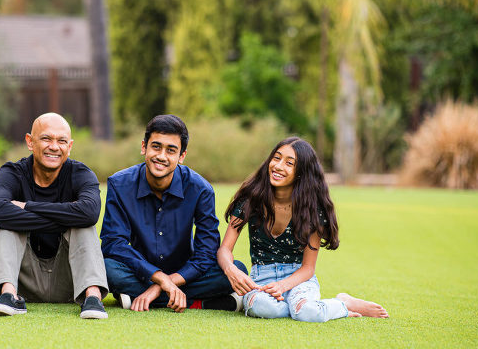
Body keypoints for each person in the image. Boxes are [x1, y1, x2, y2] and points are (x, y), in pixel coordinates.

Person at [217, 136, 389, 322]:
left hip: (299, 279)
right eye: (276, 158)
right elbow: (225, 249)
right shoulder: (250, 200)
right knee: (263, 308)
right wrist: (230, 269)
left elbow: (308, 267)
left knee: (308, 313)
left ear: (301, 172)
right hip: (261, 279)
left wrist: (282, 286)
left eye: (289, 163)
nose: (278, 166)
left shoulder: (312, 210)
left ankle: (342, 303)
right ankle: (298, 307)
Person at [101, 115, 248, 312]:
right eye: (156, 147)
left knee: (236, 270)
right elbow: (114, 244)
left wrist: (160, 286)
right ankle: (199, 303)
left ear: (182, 156)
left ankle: (146, 296)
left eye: (171, 150)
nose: (161, 156)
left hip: (185, 274)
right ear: (144, 147)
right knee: (105, 269)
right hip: (138, 272)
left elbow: (206, 253)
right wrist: (159, 277)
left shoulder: (200, 189)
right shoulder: (119, 184)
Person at [0, 113, 109, 319]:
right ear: (30, 142)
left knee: (83, 224)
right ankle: (8, 296)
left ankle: (93, 298)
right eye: (46, 139)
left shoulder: (82, 173)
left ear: (69, 146)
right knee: (5, 224)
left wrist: (27, 206)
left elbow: (90, 213)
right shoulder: (12, 172)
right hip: (23, 282)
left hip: (70, 281)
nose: (54, 146)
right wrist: (65, 216)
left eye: (61, 141)